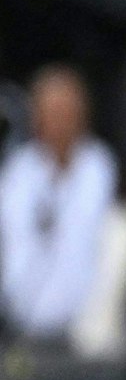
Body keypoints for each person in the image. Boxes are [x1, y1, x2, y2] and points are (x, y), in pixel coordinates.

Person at [0, 64, 117, 344]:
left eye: (68, 113)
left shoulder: (100, 166)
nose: (61, 122)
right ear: (37, 117)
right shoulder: (18, 172)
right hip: (22, 327)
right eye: (53, 113)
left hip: (86, 333)